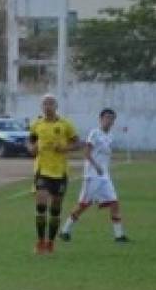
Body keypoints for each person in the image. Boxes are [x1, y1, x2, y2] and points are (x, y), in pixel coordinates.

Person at [60, 109, 129, 243]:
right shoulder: (94, 133)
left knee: (114, 203)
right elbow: (86, 152)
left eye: (112, 118)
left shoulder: (110, 136)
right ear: (101, 119)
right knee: (84, 205)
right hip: (92, 176)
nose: (109, 120)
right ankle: (65, 231)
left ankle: (119, 236)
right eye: (107, 117)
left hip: (105, 177)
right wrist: (96, 166)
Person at [26, 94, 79, 255]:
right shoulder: (36, 124)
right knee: (41, 205)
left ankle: (51, 242)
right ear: (42, 107)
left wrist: (65, 149)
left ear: (56, 106)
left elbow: (78, 142)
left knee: (55, 209)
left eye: (50, 103)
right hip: (42, 170)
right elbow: (30, 142)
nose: (47, 106)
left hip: (60, 172)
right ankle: (40, 241)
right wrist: (32, 149)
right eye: (45, 104)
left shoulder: (65, 125)